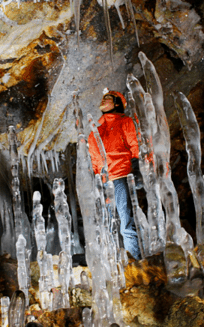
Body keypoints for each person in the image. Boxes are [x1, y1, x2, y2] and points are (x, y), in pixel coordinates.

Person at [88, 90, 142, 260]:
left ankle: (133, 259)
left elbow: (135, 144)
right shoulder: (96, 129)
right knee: (108, 223)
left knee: (125, 222)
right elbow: (94, 159)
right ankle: (114, 262)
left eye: (108, 99)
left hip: (120, 176)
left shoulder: (125, 122)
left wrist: (137, 167)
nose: (104, 100)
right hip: (103, 181)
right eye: (103, 98)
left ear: (117, 103)